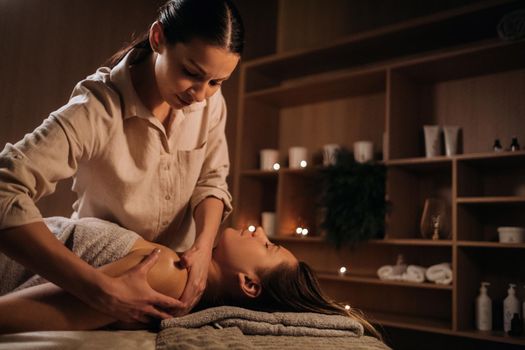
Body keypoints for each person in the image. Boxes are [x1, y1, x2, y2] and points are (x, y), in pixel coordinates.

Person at [0, 0, 243, 323]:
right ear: (158, 38)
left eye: (216, 82)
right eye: (191, 73)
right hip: (104, 264)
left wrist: (202, 246)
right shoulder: (97, 107)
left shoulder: (210, 104)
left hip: (169, 277)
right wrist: (97, 288)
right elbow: (5, 188)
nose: (200, 95)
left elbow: (211, 180)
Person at [0, 219, 380, 340]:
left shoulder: (168, 273)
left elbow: (19, 313)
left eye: (268, 246)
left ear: (249, 284)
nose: (261, 230)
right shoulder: (179, 267)